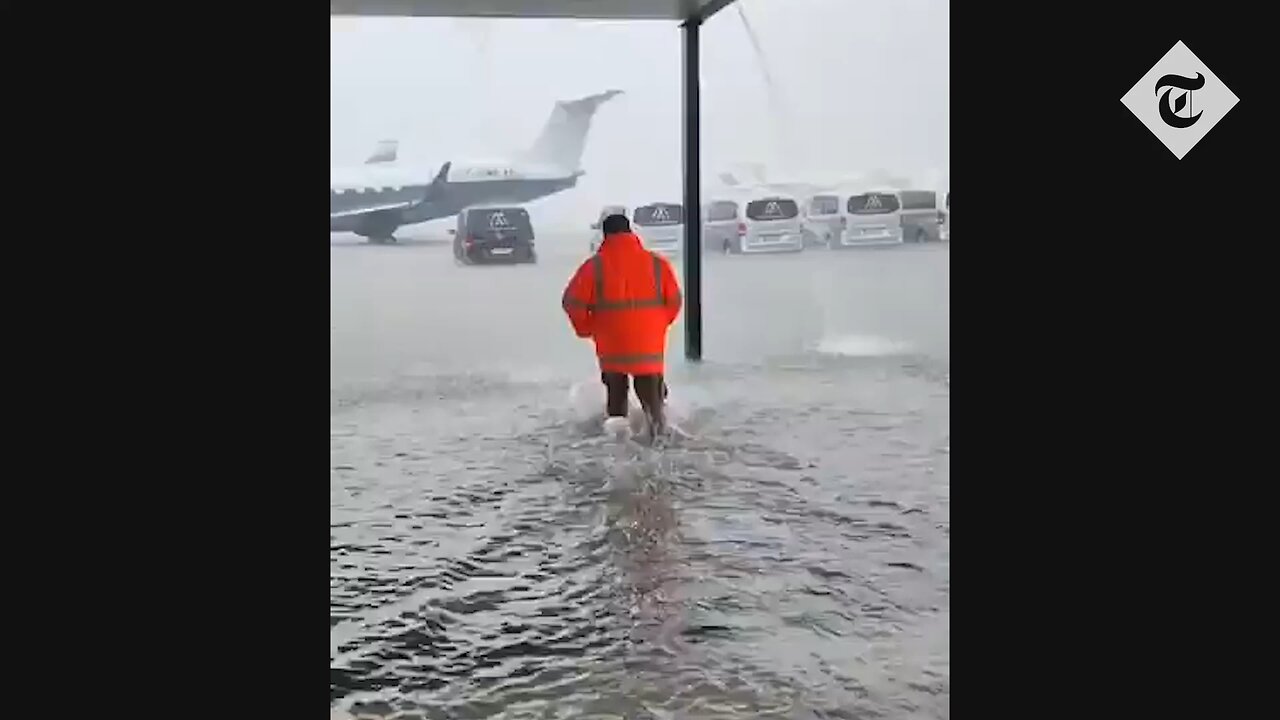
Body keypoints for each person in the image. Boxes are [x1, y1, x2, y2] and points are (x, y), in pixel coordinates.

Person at [562, 214, 682, 436]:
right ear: (631, 232)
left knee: (616, 394)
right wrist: (658, 324)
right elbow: (675, 300)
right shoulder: (658, 264)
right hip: (648, 344)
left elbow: (571, 301)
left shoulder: (594, 266)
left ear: (605, 236)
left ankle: (617, 442)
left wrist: (586, 328)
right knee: (653, 402)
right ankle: (659, 438)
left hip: (611, 343)